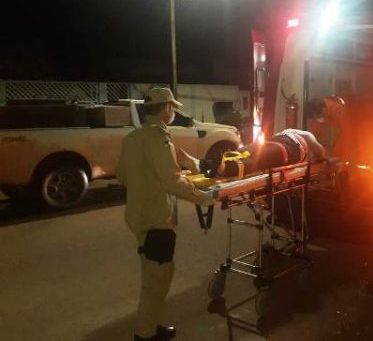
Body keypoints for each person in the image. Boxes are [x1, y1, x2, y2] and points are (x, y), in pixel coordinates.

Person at [117, 87, 215, 341]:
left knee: (153, 277)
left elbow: (122, 176)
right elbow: (171, 181)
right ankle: (145, 334)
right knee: (158, 279)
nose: (173, 112)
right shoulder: (158, 137)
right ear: (166, 109)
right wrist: (204, 197)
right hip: (156, 219)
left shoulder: (134, 137)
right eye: (172, 108)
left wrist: (150, 179)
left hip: (139, 217)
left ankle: (150, 326)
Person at [216, 128, 327, 178]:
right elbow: (320, 151)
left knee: (254, 154)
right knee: (256, 157)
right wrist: (319, 157)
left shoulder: (294, 131)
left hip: (281, 143)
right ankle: (223, 166)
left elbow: (319, 152)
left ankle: (224, 165)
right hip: (289, 147)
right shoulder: (308, 135)